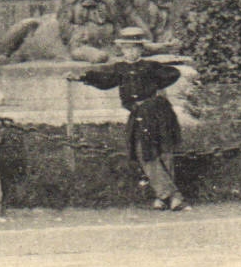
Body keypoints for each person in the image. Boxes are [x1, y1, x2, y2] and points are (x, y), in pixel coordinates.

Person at [75, 27, 189, 211]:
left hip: (157, 113)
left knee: (164, 153)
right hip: (138, 115)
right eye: (127, 48)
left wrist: (157, 87)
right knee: (144, 153)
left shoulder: (150, 66)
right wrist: (82, 77)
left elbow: (172, 73)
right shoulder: (119, 69)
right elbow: (104, 80)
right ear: (122, 50)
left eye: (135, 48)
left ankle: (162, 198)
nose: (131, 52)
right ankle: (171, 196)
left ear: (141, 50)